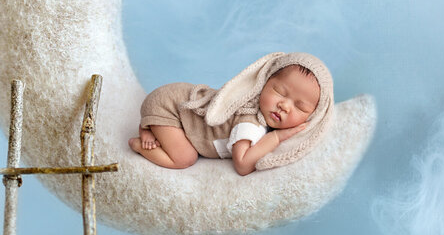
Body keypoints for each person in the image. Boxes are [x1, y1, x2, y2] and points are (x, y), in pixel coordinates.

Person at [128, 52, 334, 175]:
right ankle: (141, 140)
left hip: (178, 102)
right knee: (184, 158)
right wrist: (277, 137)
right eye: (279, 92)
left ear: (313, 116)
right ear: (263, 82)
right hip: (169, 106)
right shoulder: (250, 121)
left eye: (300, 107)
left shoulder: (265, 115)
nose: (284, 106)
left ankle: (152, 128)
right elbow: (243, 165)